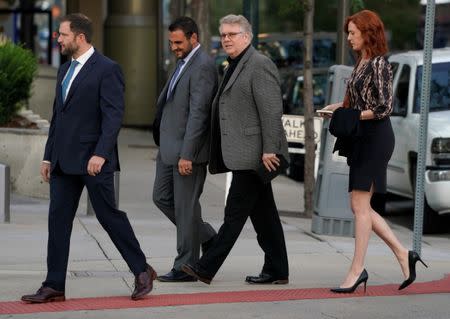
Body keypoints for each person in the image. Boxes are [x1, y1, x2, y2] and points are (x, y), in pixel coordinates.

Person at [21, 13, 155, 303]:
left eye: (63, 34)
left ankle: (142, 270)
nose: (58, 39)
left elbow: (113, 116)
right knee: (58, 222)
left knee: (109, 217)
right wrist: (47, 157)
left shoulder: (107, 69)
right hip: (62, 161)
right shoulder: (64, 69)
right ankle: (54, 284)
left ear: (80, 37)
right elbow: (58, 116)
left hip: (93, 162)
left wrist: (100, 154)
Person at [319, 10, 427, 293]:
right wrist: (338, 109)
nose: (350, 38)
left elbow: (384, 107)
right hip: (363, 138)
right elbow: (357, 103)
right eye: (349, 33)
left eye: (353, 33)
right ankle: (404, 254)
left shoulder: (379, 63)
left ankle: (357, 270)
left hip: (376, 138)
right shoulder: (361, 61)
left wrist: (350, 117)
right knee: (360, 206)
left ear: (368, 33)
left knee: (359, 205)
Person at [181, 14, 289, 285]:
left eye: (232, 34)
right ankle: (277, 269)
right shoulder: (234, 64)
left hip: (255, 155)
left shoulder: (259, 64)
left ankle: (205, 268)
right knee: (265, 218)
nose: (227, 39)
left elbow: (271, 111)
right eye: (224, 34)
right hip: (244, 153)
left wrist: (270, 149)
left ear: (246, 37)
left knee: (234, 214)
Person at [152, 17, 218, 282]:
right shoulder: (182, 62)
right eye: (171, 42)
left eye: (178, 42)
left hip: (186, 153)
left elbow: (199, 114)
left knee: (185, 207)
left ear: (194, 38)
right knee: (162, 198)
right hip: (168, 148)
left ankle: (185, 267)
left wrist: (187, 154)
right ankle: (208, 238)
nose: (174, 47)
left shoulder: (203, 65)